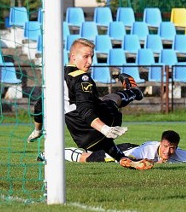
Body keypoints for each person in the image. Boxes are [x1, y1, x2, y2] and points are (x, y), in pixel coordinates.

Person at [30, 38, 150, 169]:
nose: (90, 62)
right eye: (86, 57)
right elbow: (85, 110)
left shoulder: (56, 77)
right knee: (111, 99)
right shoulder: (82, 77)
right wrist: (105, 129)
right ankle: (134, 91)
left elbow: (39, 106)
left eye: (92, 57)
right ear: (73, 56)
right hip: (103, 121)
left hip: (81, 136)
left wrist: (37, 130)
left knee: (102, 138)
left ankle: (123, 159)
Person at [59, 130, 186, 165]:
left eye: (172, 148)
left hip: (131, 150)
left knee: (91, 152)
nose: (167, 151)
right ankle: (52, 153)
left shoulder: (179, 153)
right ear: (160, 143)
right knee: (86, 159)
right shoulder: (146, 150)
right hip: (124, 152)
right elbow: (128, 159)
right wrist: (156, 164)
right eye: (165, 146)